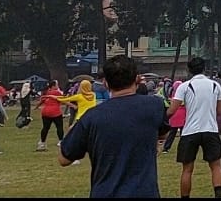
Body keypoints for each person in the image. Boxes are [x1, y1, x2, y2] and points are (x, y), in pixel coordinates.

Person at [57, 55, 170, 198]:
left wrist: (73, 132)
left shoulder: (92, 117)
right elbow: (163, 133)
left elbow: (64, 159)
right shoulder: (155, 106)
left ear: (105, 83)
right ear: (137, 79)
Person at [167, 56, 221, 199]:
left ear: (189, 70)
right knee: (216, 166)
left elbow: (172, 110)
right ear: (204, 68)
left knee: (187, 169)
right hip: (210, 129)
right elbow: (219, 111)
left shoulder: (184, 86)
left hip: (190, 131)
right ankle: (218, 195)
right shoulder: (215, 85)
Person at [35, 80, 65, 151]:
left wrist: (36, 107)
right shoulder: (57, 92)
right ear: (53, 86)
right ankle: (61, 141)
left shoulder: (46, 92)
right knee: (59, 127)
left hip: (45, 112)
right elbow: (63, 100)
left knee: (45, 128)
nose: (58, 86)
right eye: (57, 84)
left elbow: (42, 101)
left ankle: (42, 142)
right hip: (55, 112)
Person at [163, 80, 186, 154]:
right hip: (183, 114)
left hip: (174, 115)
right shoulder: (184, 94)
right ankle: (183, 148)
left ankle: (166, 148)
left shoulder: (172, 95)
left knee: (172, 133)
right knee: (183, 134)